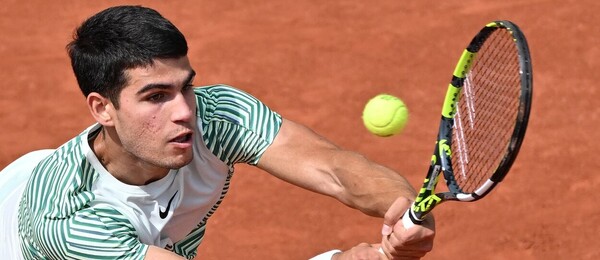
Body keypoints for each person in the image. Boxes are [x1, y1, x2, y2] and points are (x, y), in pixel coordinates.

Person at [0, 5, 435, 259]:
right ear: (103, 109)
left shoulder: (214, 114)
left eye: (185, 86)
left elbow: (335, 168)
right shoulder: (70, 224)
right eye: (155, 97)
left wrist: (402, 208)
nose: (184, 111)